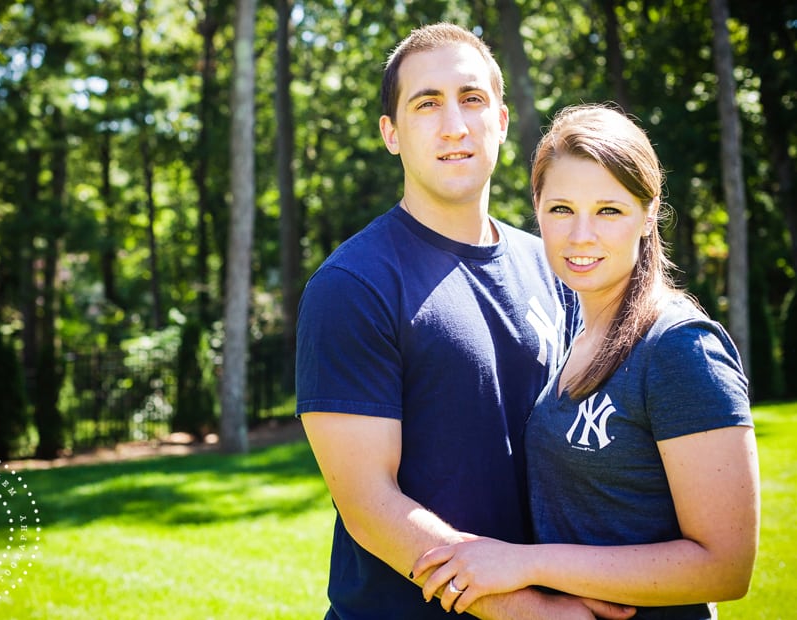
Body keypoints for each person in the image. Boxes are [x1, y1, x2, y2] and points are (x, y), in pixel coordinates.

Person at [296, 24, 635, 620]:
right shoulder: (353, 285)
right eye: (426, 103)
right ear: (391, 134)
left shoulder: (552, 263)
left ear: (501, 121)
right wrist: (535, 612)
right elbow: (370, 506)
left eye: (471, 98)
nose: (454, 123)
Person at [412, 103, 760, 619]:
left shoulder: (679, 347)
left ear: (648, 214)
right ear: (537, 209)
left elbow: (726, 567)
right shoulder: (572, 331)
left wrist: (527, 565)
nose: (580, 236)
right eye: (561, 210)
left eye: (608, 210)